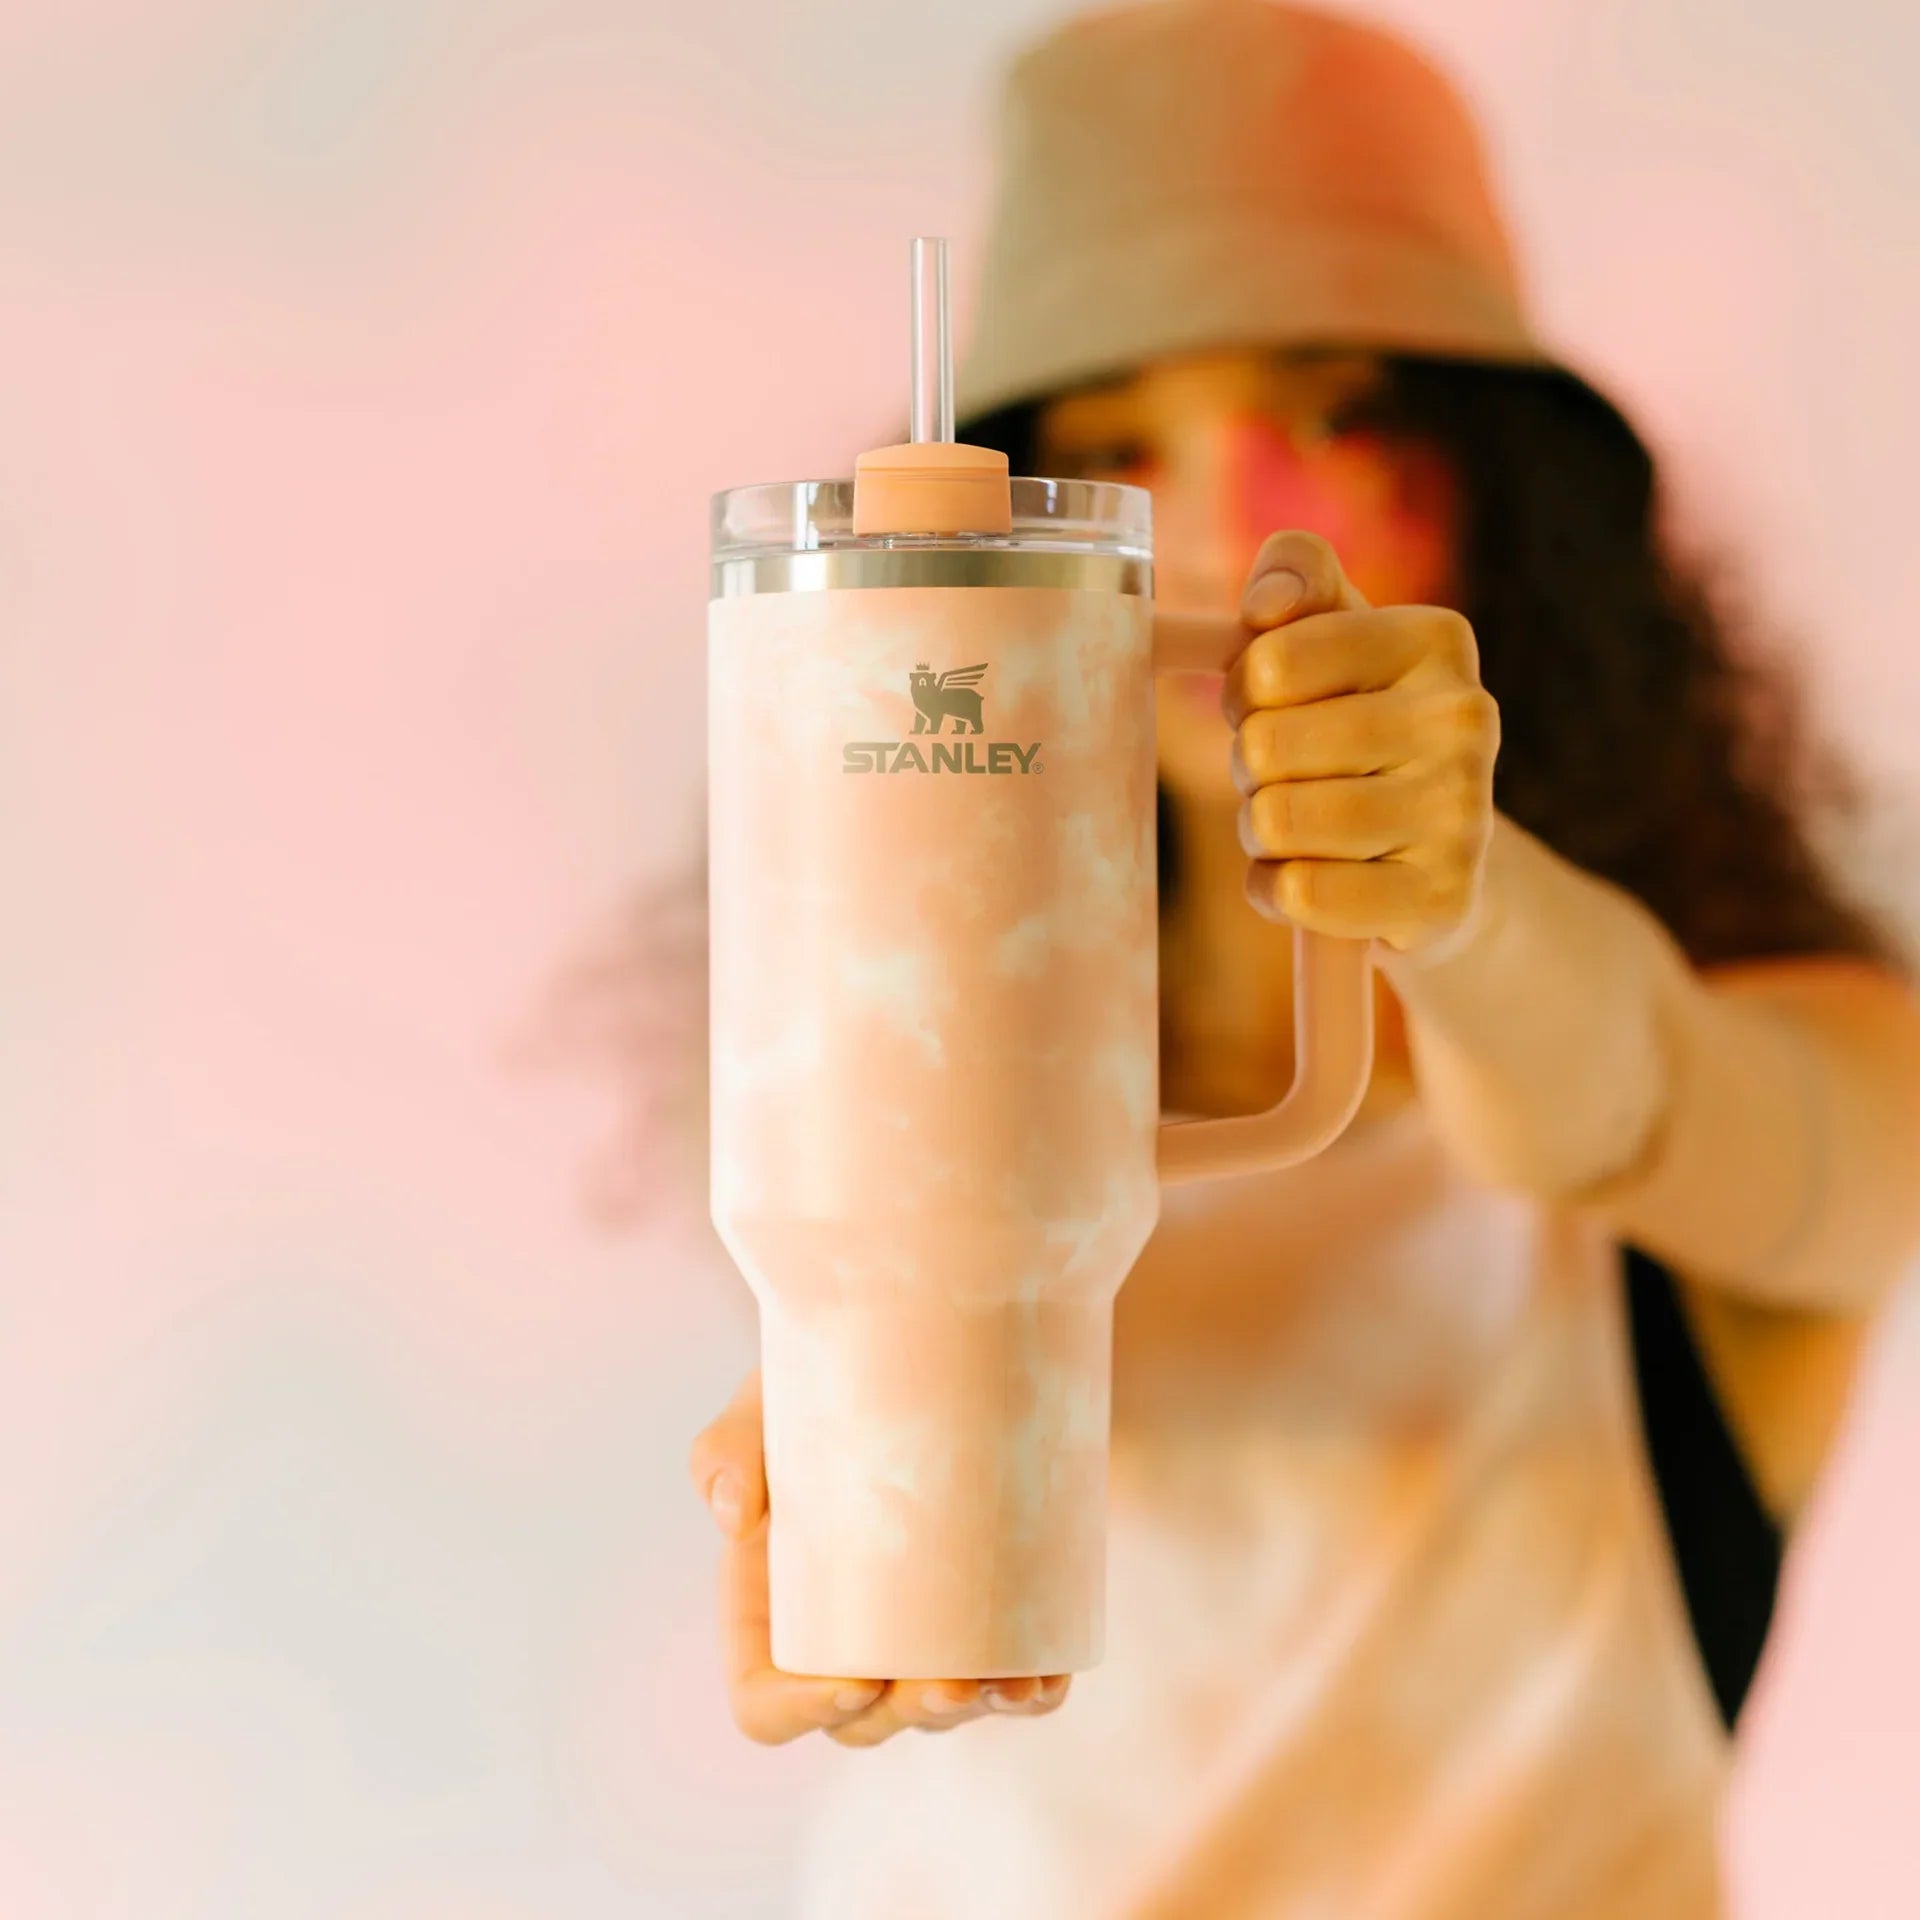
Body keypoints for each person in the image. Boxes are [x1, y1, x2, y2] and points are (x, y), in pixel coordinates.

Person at [678, 3, 1920, 1914]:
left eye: (1336, 413)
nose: (1231, 526)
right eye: (1120, 448)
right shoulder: (902, 1131)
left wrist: (1456, 895)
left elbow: (1640, 1098)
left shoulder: (1807, 1079)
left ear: (1500, 488)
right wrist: (835, 1512)